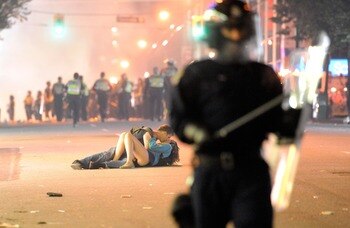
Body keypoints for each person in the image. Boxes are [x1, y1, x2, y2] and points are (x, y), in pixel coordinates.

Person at [170, 1, 302, 227]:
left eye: (241, 29)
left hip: (250, 171)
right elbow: (179, 120)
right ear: (216, 34)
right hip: (210, 171)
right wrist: (197, 131)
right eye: (230, 30)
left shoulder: (263, 76)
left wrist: (290, 122)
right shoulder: (195, 74)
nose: (236, 38)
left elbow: (277, 126)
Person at [71, 124, 179, 169]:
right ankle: (114, 159)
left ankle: (128, 162)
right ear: (164, 133)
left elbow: (149, 147)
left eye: (170, 139)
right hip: (135, 153)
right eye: (169, 137)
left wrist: (147, 137)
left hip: (146, 157)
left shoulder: (167, 146)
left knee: (127, 135)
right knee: (122, 137)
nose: (168, 139)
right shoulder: (151, 134)